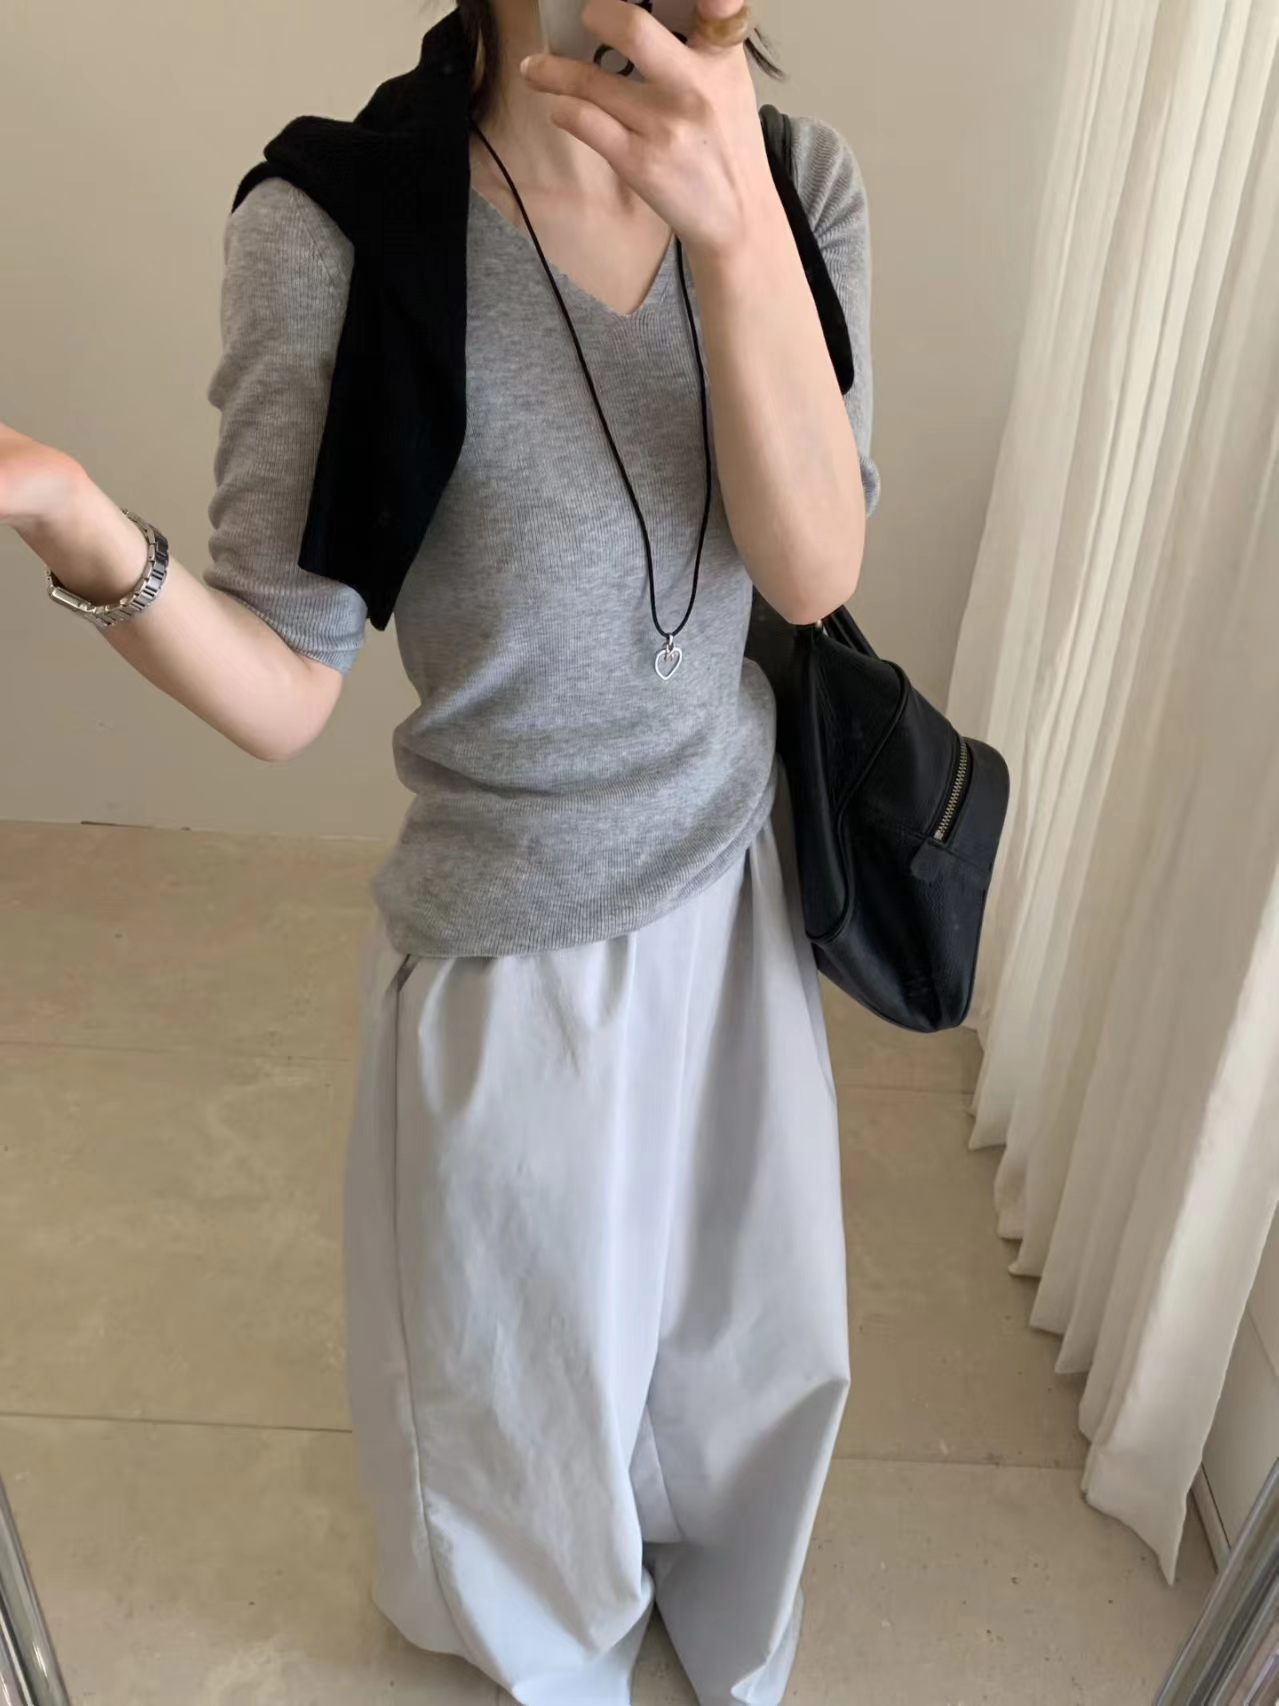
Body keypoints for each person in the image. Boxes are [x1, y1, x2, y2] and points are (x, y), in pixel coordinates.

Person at [1, 0, 879, 1698]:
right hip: (511, 959)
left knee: (743, 1388)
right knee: (518, 1456)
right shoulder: (339, 226)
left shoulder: (800, 181)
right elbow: (285, 682)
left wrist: (733, 228)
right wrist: (71, 518)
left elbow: (811, 567)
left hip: (738, 902)